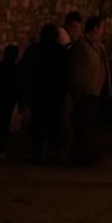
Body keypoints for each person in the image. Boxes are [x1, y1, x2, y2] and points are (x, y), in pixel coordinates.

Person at [69, 16, 111, 165]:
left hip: (94, 91)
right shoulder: (82, 46)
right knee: (83, 125)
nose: (103, 31)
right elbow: (75, 70)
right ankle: (80, 155)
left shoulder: (96, 46)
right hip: (85, 92)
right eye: (101, 28)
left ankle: (88, 152)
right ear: (95, 28)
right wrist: (77, 92)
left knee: (90, 125)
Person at [29, 24, 69, 161]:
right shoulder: (61, 52)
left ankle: (38, 151)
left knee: (38, 123)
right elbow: (66, 74)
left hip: (39, 92)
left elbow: (27, 70)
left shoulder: (35, 50)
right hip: (55, 94)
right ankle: (52, 151)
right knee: (54, 123)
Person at [0, 44, 20, 158]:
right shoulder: (16, 70)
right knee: (4, 122)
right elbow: (18, 87)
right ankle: (0, 146)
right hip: (8, 100)